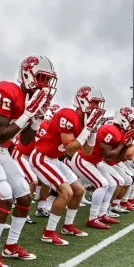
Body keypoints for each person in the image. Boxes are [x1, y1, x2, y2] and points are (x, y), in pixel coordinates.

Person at [0, 56, 57, 267]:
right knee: (4, 197)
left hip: (2, 151)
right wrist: (27, 113)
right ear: (27, 74)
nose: (44, 85)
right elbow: (0, 135)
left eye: (48, 80)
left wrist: (35, 120)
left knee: (25, 196)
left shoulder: (31, 100)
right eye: (41, 78)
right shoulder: (6, 90)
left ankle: (10, 246)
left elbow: (26, 140)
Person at [31, 86, 104, 245]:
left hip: (54, 159)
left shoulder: (84, 122)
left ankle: (67, 226)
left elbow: (88, 150)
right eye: (94, 103)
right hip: (42, 157)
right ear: (83, 101)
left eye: (99, 104)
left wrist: (92, 131)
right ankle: (48, 233)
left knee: (79, 190)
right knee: (66, 192)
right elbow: (70, 148)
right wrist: (87, 129)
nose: (96, 108)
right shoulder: (68, 114)